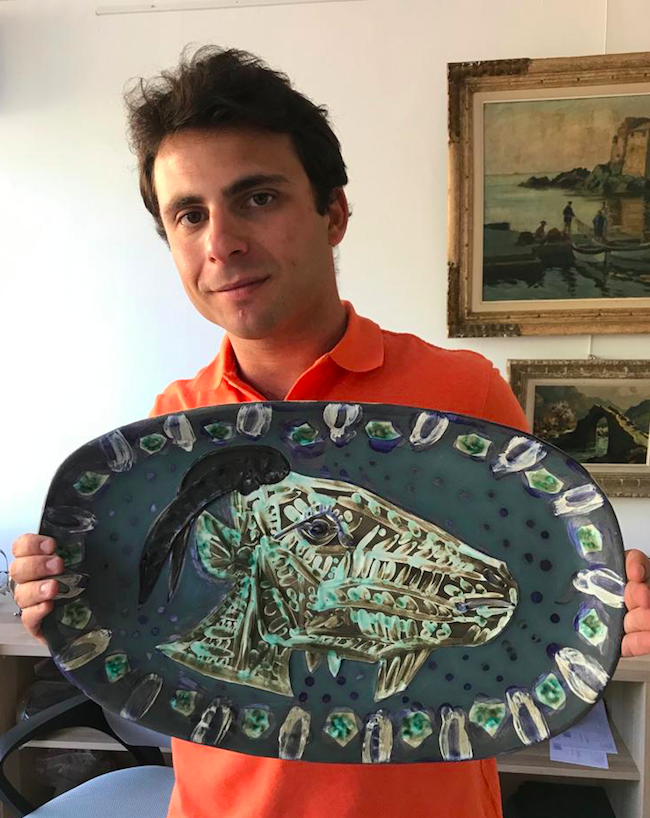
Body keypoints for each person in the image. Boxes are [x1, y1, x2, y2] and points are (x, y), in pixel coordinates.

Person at [9, 46, 650, 818]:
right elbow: (146, 627)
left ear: (334, 214)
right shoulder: (168, 432)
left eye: (258, 198)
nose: (221, 242)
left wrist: (613, 611)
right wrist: (63, 595)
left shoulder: (463, 397)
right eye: (190, 214)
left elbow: (541, 603)